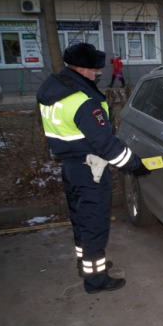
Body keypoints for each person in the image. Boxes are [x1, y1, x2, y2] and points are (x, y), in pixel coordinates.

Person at [36, 43, 150, 294]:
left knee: (80, 220)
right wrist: (134, 165)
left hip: (70, 166)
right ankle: (96, 280)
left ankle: (85, 264)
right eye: (94, 70)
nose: (97, 74)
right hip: (91, 170)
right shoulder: (82, 101)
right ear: (81, 68)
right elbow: (107, 145)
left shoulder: (53, 89)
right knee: (94, 225)